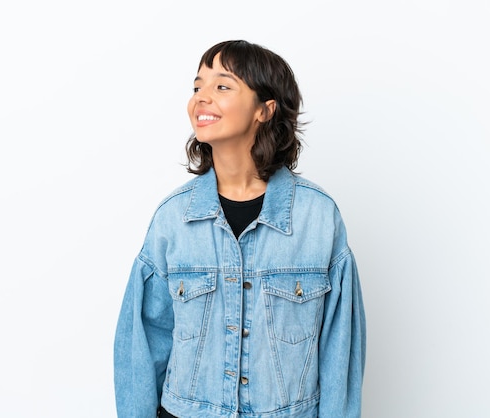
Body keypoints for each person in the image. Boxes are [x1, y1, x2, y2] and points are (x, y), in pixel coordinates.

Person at [114, 40, 366, 418]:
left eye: (222, 86)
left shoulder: (317, 217)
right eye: (197, 86)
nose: (201, 98)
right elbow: (142, 346)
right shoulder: (172, 218)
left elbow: (339, 350)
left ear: (265, 110)